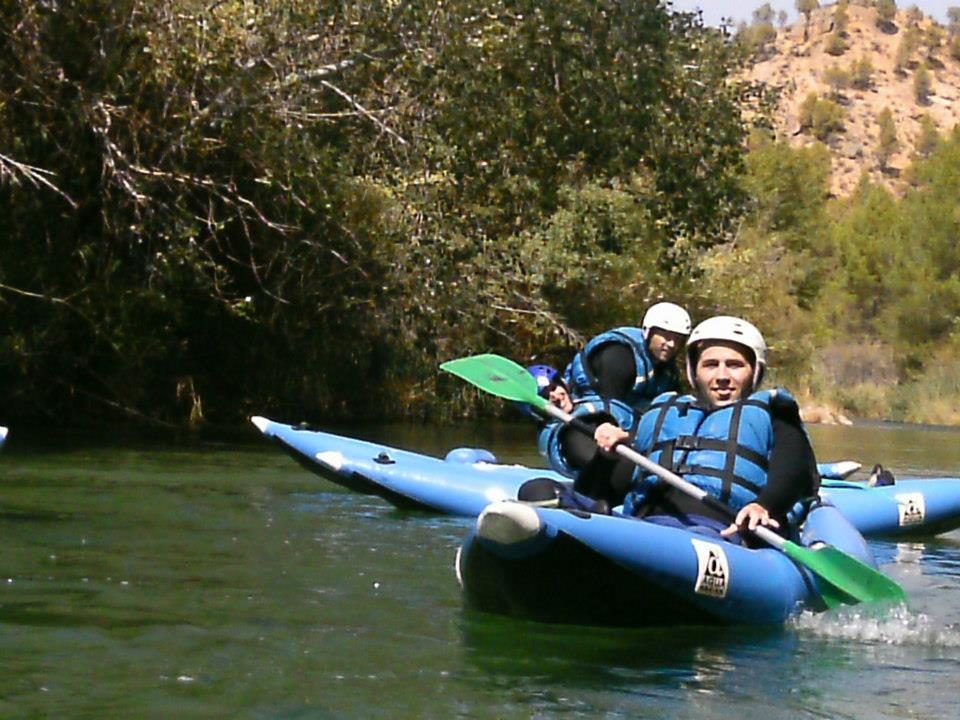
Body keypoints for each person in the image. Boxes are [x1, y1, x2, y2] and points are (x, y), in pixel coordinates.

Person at [593, 315, 820, 542]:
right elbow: (601, 491)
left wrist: (764, 505)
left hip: (715, 529)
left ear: (754, 371)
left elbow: (795, 469)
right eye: (711, 365)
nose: (722, 376)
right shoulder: (666, 413)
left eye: (734, 365)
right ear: (695, 372)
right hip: (644, 523)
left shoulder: (774, 415)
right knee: (562, 497)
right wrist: (606, 457)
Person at [563, 302, 691, 412]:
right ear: (648, 332)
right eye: (666, 336)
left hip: (629, 418)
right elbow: (610, 406)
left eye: (678, 340)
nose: (672, 344)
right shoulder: (619, 357)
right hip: (589, 414)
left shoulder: (667, 370)